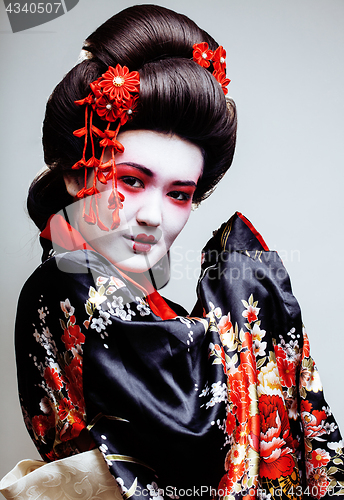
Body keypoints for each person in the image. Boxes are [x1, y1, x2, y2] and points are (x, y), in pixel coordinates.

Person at [2, 4, 344, 500]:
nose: (153, 216)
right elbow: (193, 426)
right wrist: (243, 281)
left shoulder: (140, 302)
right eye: (132, 181)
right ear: (77, 175)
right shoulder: (67, 282)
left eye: (179, 193)